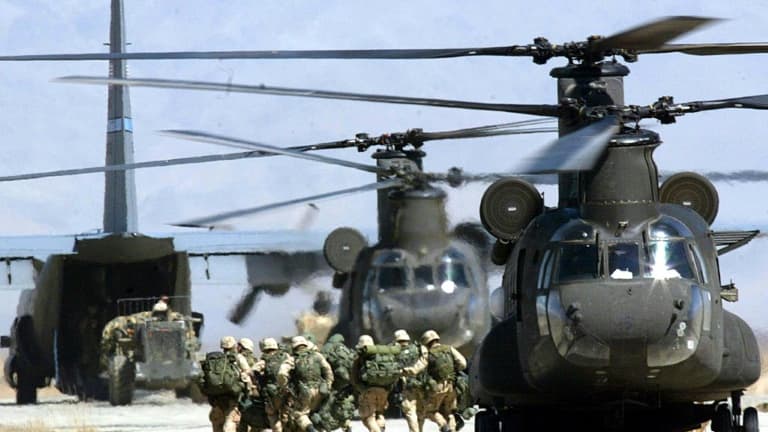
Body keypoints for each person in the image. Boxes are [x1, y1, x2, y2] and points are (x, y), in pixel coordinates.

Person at [404, 330, 467, 432]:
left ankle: (443, 425)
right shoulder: (449, 349)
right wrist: (454, 370)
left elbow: (419, 367)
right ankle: (452, 428)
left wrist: (407, 371)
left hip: (437, 387)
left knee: (430, 411)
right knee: (450, 412)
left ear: (426, 342)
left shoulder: (428, 353)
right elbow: (463, 363)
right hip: (451, 386)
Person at [278, 336, 334, 432]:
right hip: (320, 390)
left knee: (299, 414)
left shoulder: (292, 359)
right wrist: (328, 384)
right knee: (316, 412)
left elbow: (282, 373)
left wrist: (285, 386)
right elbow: (328, 370)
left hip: (304, 392)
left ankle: (312, 430)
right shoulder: (317, 355)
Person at [352, 335, 402, 432]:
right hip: (384, 391)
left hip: (368, 391)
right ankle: (381, 426)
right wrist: (387, 389)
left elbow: (354, 378)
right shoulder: (383, 355)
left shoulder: (360, 357)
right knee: (379, 413)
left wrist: (360, 389)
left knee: (368, 418)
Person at [206, 336, 253, 432]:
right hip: (232, 396)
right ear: (234, 345)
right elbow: (248, 372)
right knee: (230, 422)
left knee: (218, 423)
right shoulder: (238, 357)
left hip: (217, 397)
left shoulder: (215, 360)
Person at [393, 329, 428, 432]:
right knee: (421, 412)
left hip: (407, 387)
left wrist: (403, 372)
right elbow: (425, 361)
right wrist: (415, 370)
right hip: (421, 384)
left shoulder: (394, 351)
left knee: (410, 412)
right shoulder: (418, 348)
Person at [254, 337, 291, 432]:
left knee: (273, 416)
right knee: (286, 416)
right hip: (286, 392)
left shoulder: (264, 360)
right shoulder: (286, 356)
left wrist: (260, 380)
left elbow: (253, 371)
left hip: (271, 394)